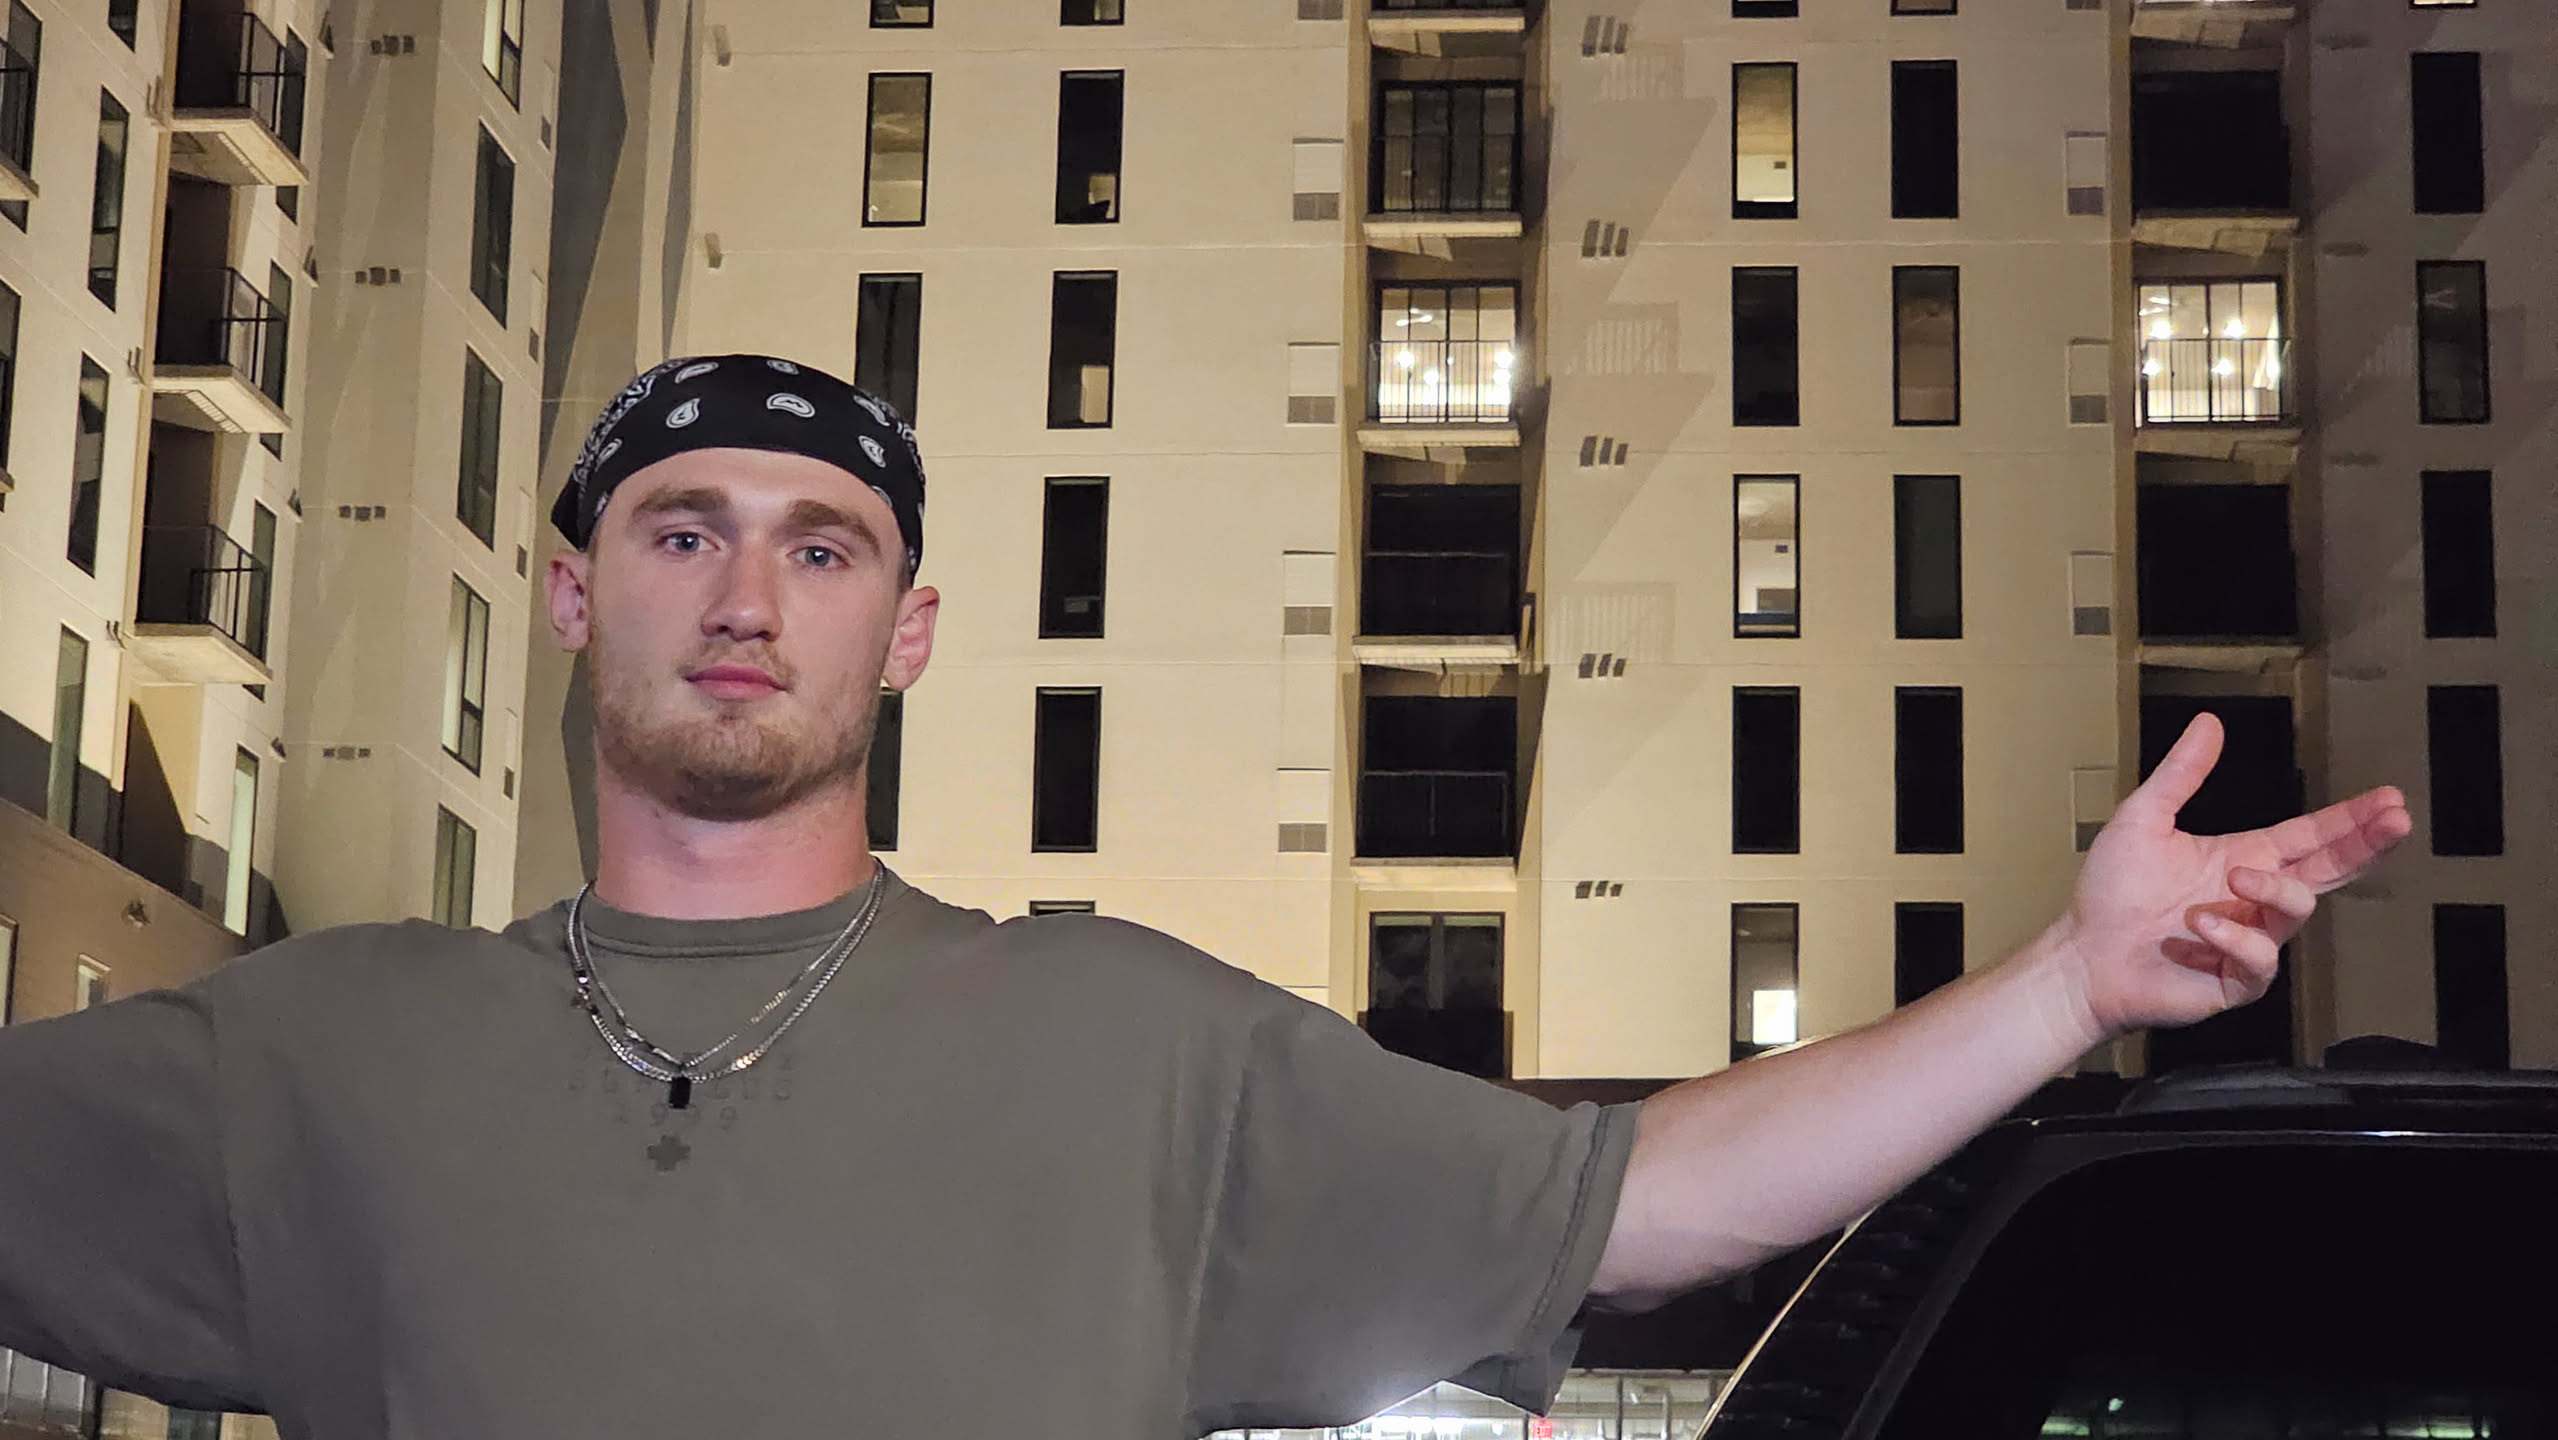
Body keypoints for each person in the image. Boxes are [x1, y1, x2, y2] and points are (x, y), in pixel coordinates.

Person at [0, 354, 2411, 1439]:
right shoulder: (323, 1046)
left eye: (821, 546)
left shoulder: (1124, 1044)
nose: (745, 593)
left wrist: (2066, 983)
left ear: (905, 634)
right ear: (568, 594)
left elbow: (1646, 1207)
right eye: (681, 529)